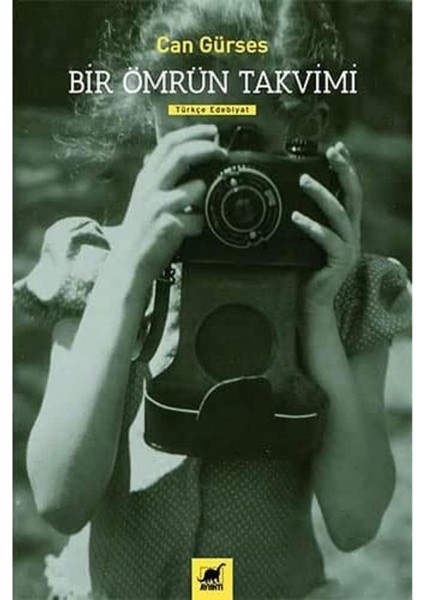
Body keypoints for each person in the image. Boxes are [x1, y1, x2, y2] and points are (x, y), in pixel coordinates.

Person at [14, 0, 411, 598]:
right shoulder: (99, 267)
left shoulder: (347, 291)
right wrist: (129, 275)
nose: (227, 187)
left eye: (240, 145)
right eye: (191, 152)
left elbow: (355, 521)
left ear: (306, 132)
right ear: (154, 133)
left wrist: (317, 310)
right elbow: (58, 500)